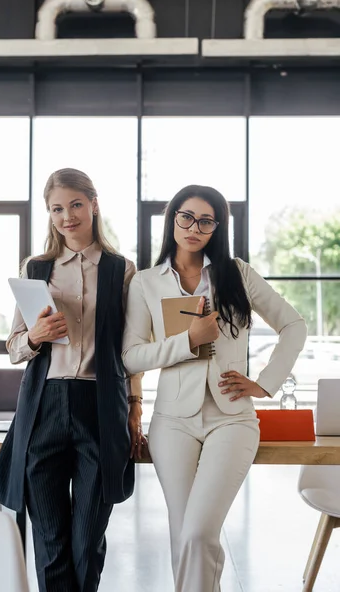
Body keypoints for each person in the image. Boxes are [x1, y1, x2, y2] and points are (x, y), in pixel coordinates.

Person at [122, 185, 307, 592]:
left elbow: (294, 325)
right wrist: (187, 340)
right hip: (172, 421)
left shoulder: (236, 273)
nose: (194, 227)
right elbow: (131, 357)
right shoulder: (146, 283)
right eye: (186, 216)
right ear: (173, 219)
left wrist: (264, 383)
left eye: (205, 220)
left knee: (198, 534)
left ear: (216, 228)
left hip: (233, 419)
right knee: (184, 535)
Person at [0, 168, 144, 592]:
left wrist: (135, 408)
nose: (67, 216)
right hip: (43, 409)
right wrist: (35, 337)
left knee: (87, 540)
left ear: (94, 204)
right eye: (56, 208)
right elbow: (13, 348)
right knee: (51, 540)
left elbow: (131, 351)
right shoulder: (36, 268)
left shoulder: (122, 270)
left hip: (101, 406)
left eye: (75, 204)